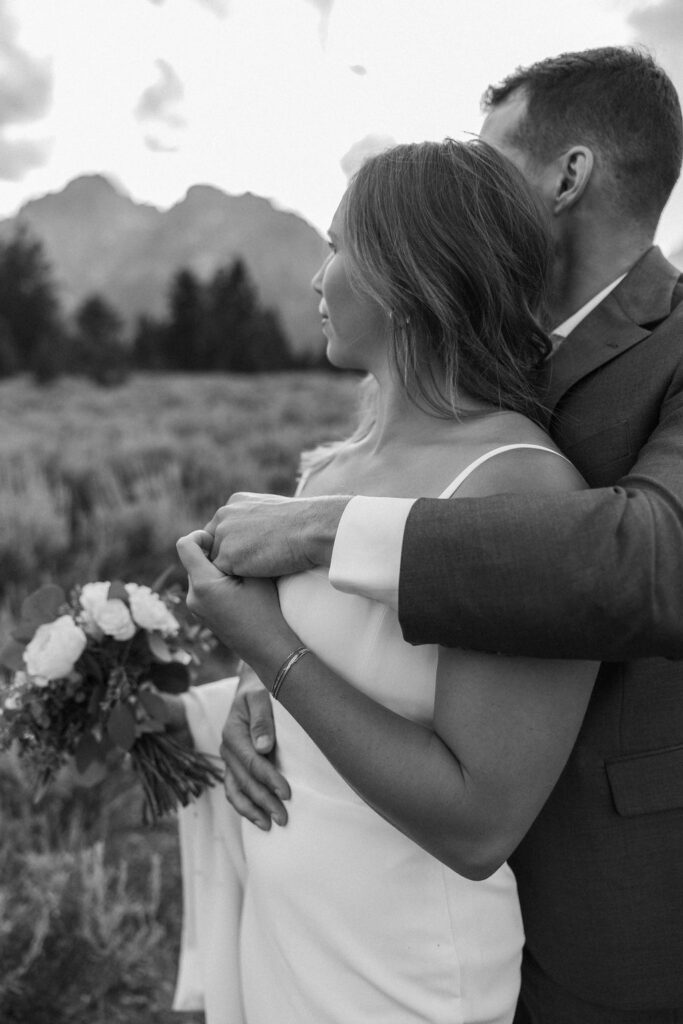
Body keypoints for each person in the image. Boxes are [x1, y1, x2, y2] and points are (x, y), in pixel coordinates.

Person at [205, 48, 683, 1023]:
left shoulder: (662, 355)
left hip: (603, 884)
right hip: (352, 893)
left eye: (486, 155)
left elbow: (650, 559)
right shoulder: (439, 386)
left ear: (567, 174)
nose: (464, 183)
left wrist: (318, 537)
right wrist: (255, 694)